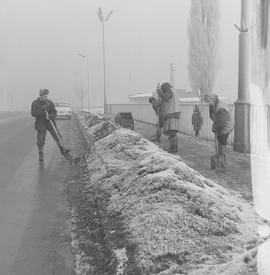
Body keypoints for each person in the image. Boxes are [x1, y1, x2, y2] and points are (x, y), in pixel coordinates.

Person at [31, 89, 70, 162]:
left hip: (50, 122)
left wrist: (50, 116)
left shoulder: (49, 102)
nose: (45, 98)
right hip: (40, 123)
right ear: (41, 96)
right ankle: (41, 154)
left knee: (57, 135)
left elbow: (54, 111)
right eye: (44, 96)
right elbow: (33, 113)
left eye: (46, 96)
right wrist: (42, 111)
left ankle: (63, 149)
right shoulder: (35, 103)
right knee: (40, 140)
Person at [204, 93, 234, 168]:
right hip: (220, 123)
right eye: (207, 102)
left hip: (226, 125)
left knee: (222, 138)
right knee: (220, 139)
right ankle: (219, 155)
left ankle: (222, 158)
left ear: (212, 99)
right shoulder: (213, 104)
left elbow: (221, 123)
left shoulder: (221, 108)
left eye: (208, 101)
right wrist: (215, 125)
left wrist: (215, 128)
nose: (208, 103)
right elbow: (212, 115)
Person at [149, 82, 180, 152]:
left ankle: (173, 148)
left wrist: (159, 91)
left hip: (171, 113)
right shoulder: (174, 91)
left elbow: (165, 98)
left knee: (172, 133)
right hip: (174, 113)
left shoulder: (169, 90)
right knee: (173, 133)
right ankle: (173, 148)